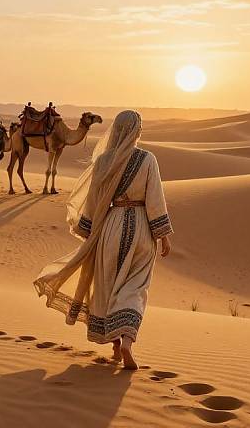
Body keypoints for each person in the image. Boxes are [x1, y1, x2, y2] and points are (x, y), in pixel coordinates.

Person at [34, 110, 173, 370]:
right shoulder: (147, 159)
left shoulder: (104, 161)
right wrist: (163, 235)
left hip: (111, 227)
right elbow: (155, 199)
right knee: (135, 287)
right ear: (136, 131)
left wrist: (89, 231)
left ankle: (116, 346)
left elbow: (95, 202)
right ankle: (128, 341)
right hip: (142, 228)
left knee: (108, 285)